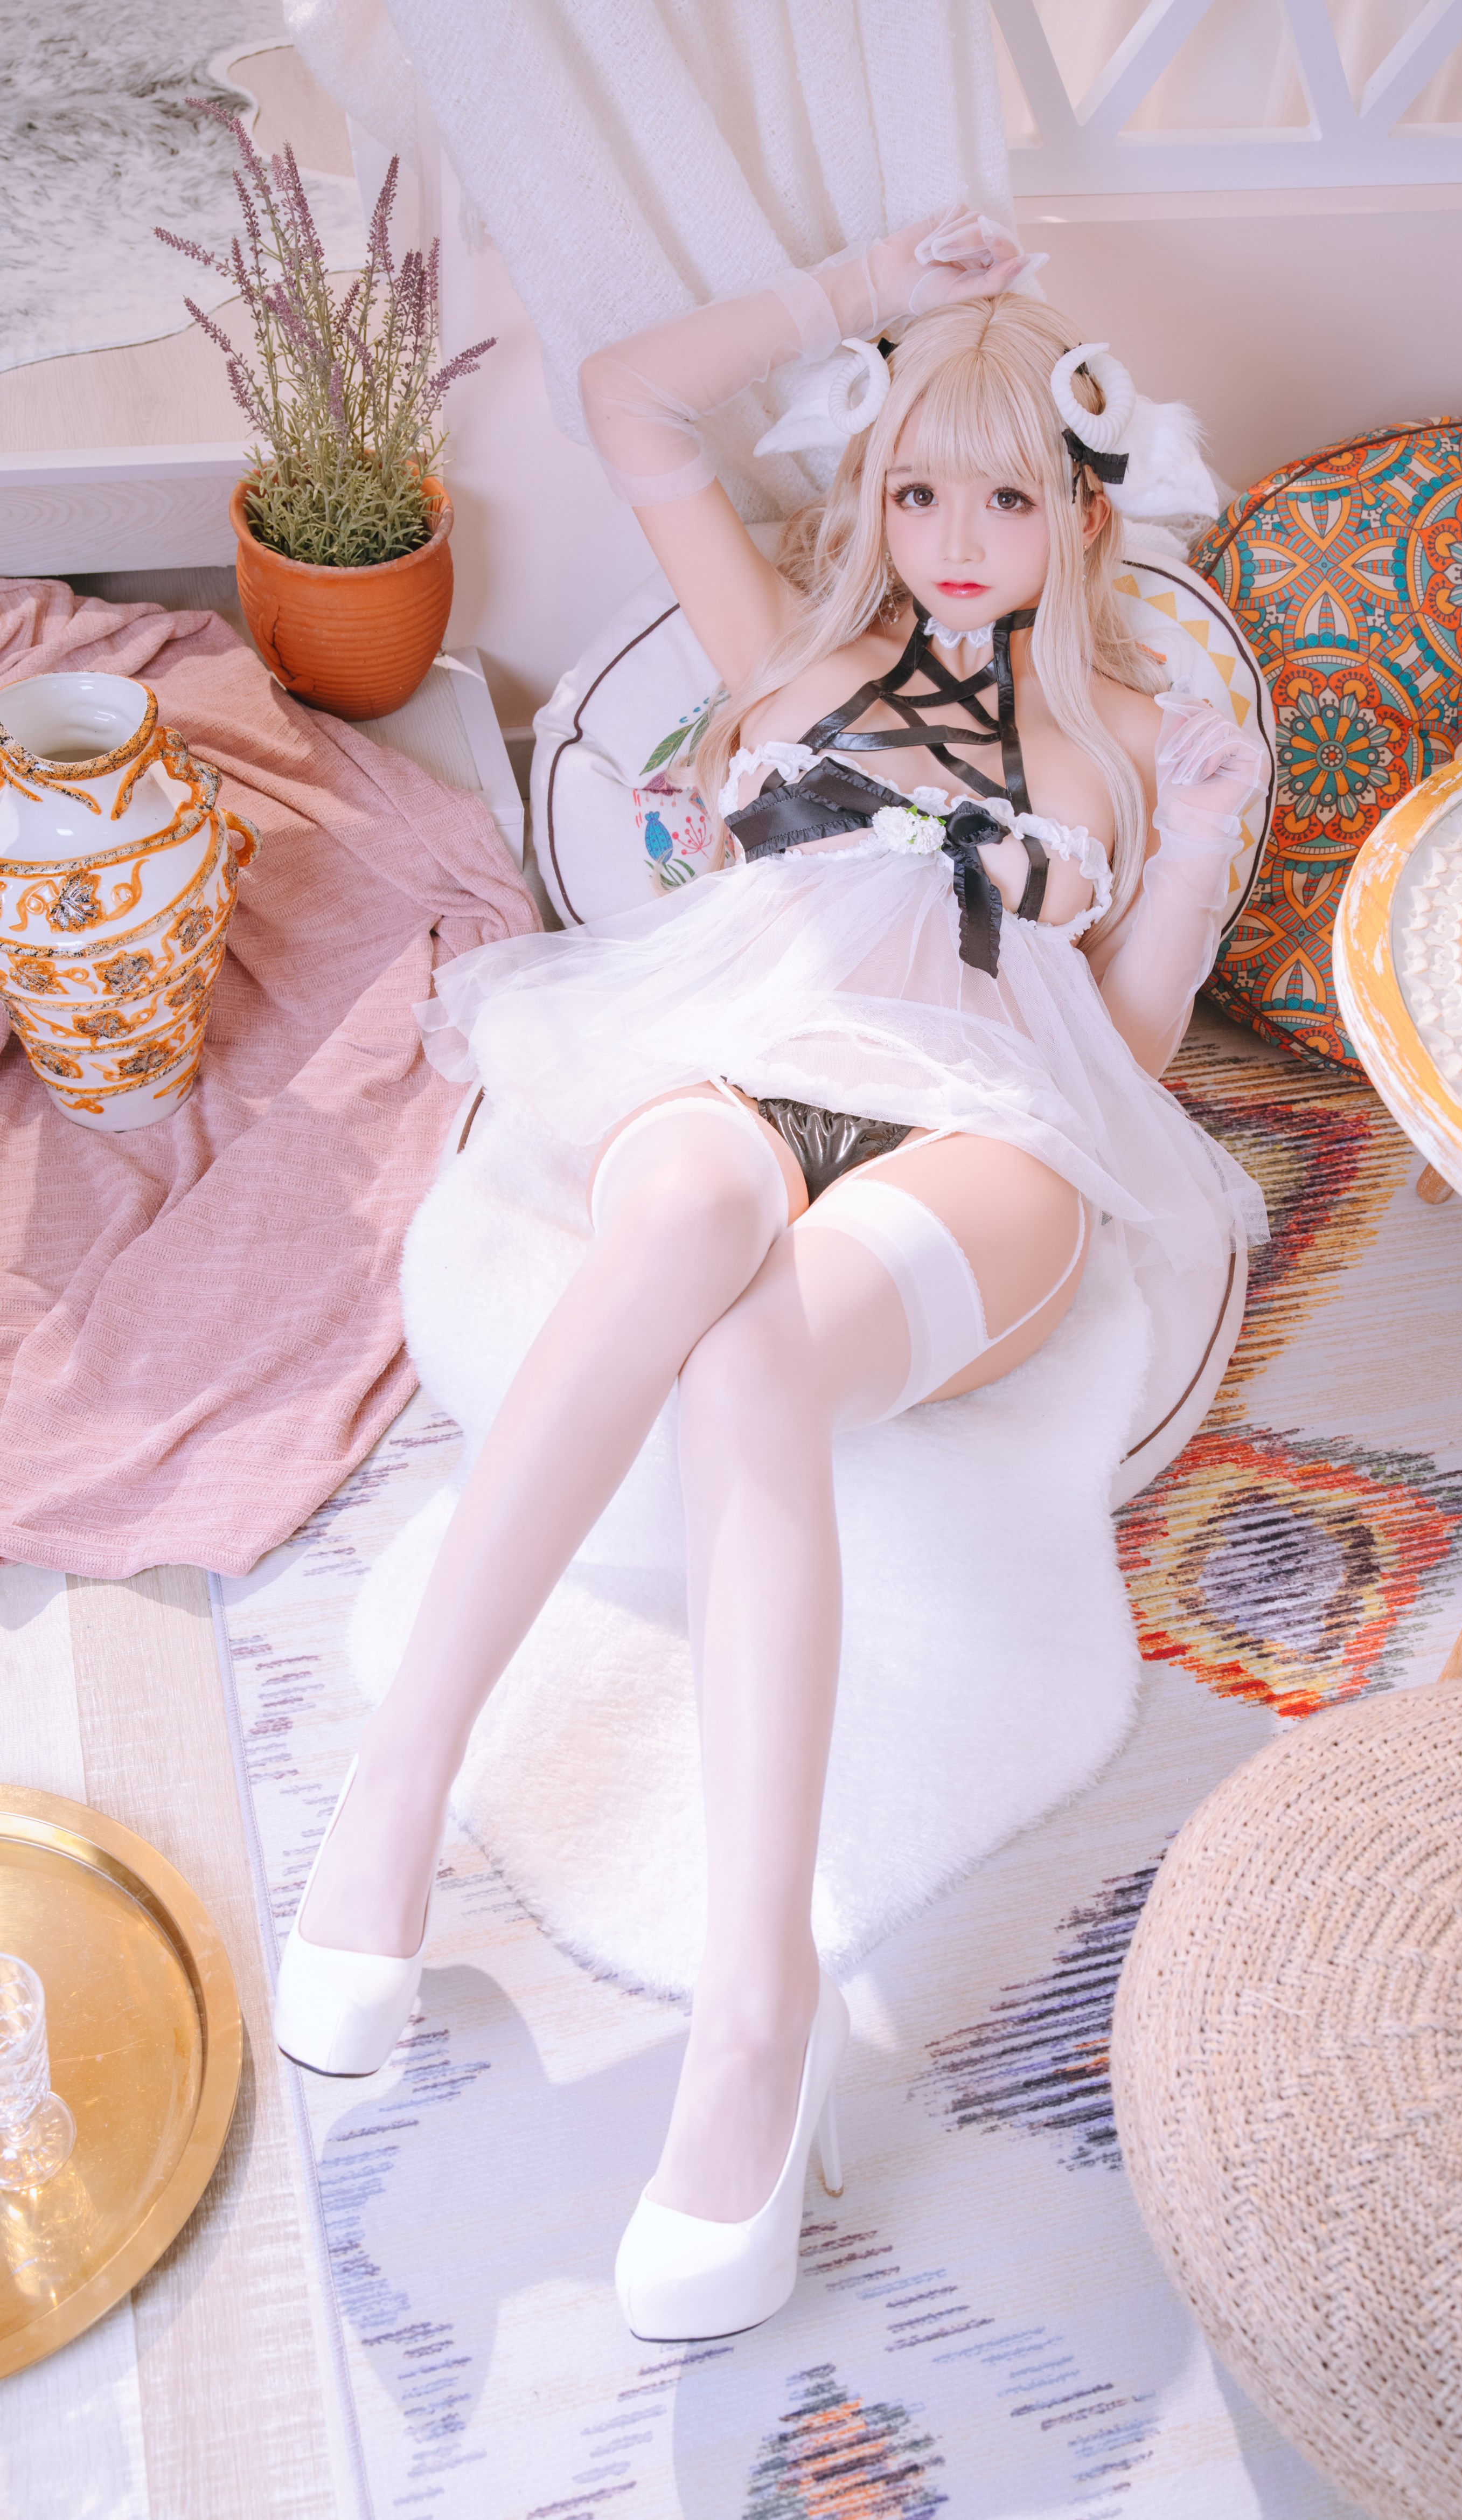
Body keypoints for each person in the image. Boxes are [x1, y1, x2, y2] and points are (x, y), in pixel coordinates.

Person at [271, 208, 1269, 2344]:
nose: (955, 542)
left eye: (1006, 498)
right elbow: (624, 398)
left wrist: (1189, 845)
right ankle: (400, 1786)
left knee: (755, 1372)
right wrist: (867, 284)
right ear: (874, 497)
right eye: (919, 491)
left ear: (1082, 513)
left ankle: (753, 2014)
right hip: (736, 1068)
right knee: (673, 1230)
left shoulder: (1119, 732)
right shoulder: (787, 659)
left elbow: (1130, 1055)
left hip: (992, 1137)